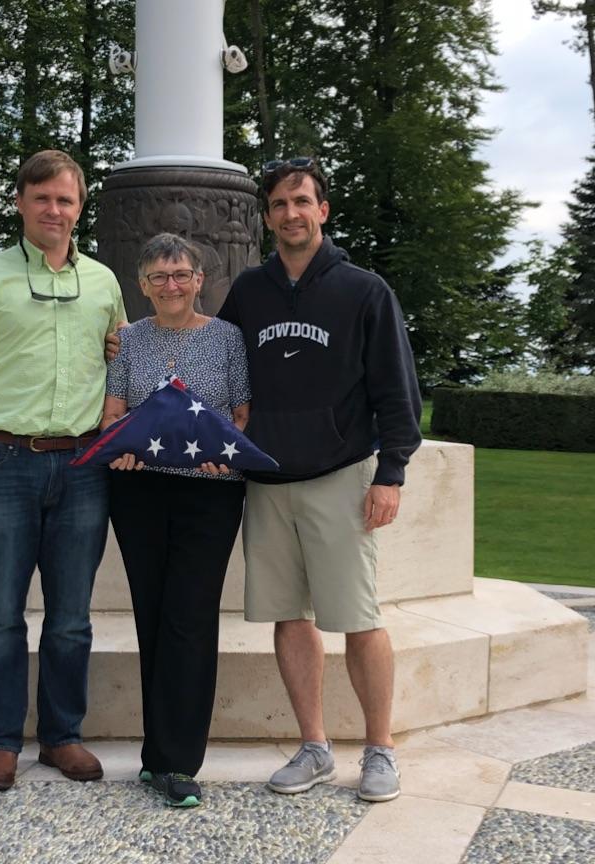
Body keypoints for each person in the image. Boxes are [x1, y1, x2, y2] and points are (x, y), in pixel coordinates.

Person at [217, 157, 423, 803]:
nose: (290, 214)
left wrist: (390, 474)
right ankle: (313, 747)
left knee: (358, 618)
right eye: (278, 204)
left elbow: (398, 391)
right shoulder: (249, 291)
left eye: (301, 201)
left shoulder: (364, 290)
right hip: (268, 479)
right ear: (267, 216)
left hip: (341, 475)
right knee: (288, 617)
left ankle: (380, 750)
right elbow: (216, 362)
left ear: (323, 210)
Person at [0, 149, 125, 791]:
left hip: (82, 466)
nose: (54, 210)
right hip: (2, 461)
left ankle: (63, 735)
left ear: (79, 207)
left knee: (72, 616)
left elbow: (122, 362)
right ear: (20, 202)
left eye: (66, 200)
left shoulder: (102, 282)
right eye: (42, 198)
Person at [101, 233, 250, 808]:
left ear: (199, 281)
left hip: (211, 493)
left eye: (181, 274)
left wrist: (225, 447)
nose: (172, 285)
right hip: (138, 490)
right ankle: (153, 755)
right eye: (159, 277)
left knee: (189, 617)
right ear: (142, 285)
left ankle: (178, 761)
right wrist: (124, 444)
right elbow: (114, 414)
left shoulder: (227, 339)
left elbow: (241, 414)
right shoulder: (129, 341)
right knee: (152, 614)